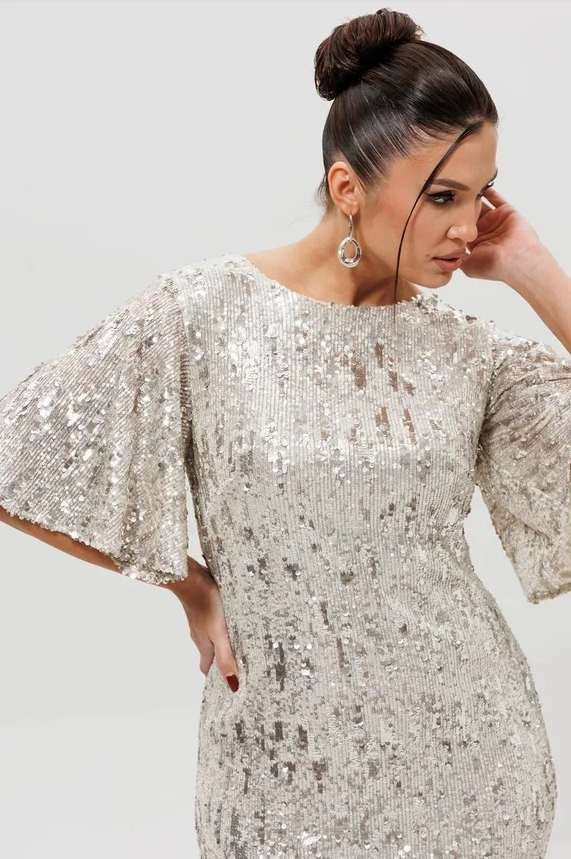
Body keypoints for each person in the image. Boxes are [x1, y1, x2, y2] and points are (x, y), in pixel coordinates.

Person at [1, 7, 570, 857]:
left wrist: (533, 269)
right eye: (440, 197)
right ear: (347, 188)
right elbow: (17, 457)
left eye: (481, 193)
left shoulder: (472, 354)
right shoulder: (203, 315)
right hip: (275, 769)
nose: (466, 225)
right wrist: (190, 585)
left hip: (471, 762)